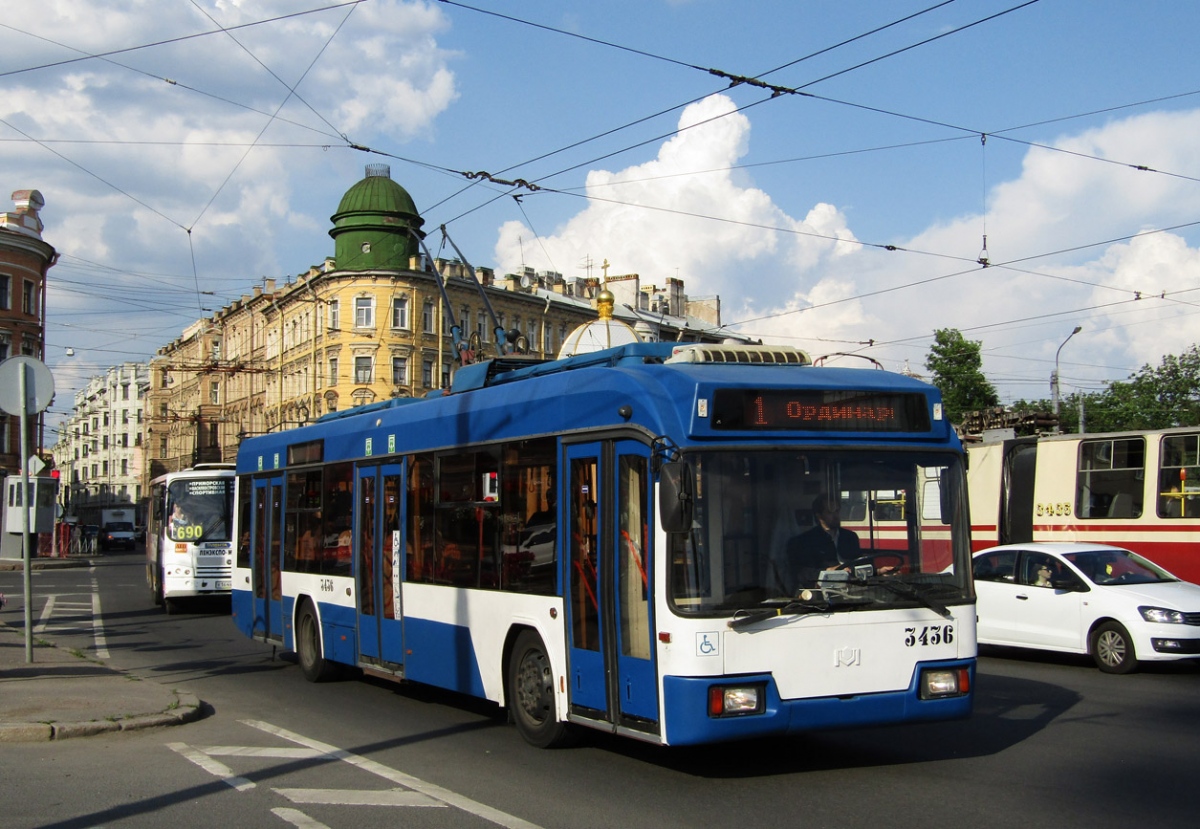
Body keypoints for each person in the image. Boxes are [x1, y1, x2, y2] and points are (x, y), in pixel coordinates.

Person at [780, 495, 862, 592]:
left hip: (853, 588)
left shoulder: (850, 537)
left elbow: (859, 562)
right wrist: (828, 571)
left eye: (837, 511)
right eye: (830, 512)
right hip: (823, 590)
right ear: (819, 516)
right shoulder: (805, 541)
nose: (835, 516)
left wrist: (877, 571)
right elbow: (801, 572)